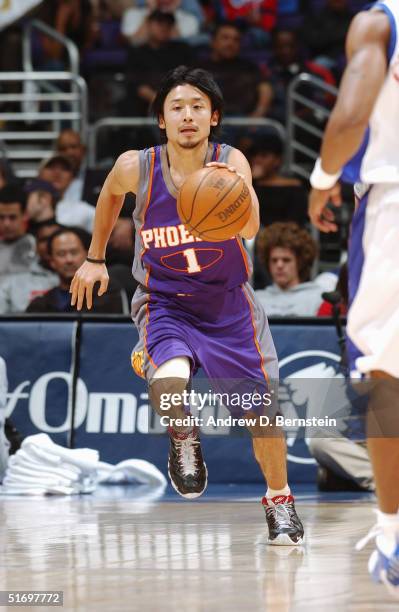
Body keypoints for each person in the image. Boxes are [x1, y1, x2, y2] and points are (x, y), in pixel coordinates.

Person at [69, 65, 304, 545]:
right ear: (162, 119)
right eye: (177, 107)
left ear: (213, 116)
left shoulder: (231, 160)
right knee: (170, 380)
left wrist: (235, 191)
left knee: (263, 416)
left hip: (228, 306)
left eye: (198, 106)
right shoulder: (137, 165)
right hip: (165, 301)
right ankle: (183, 436)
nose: (187, 116)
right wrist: (94, 258)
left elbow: (252, 229)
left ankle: (279, 500)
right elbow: (110, 198)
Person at [308, 0, 399, 594]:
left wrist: (320, 180)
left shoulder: (378, 21)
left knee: (385, 373)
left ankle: (393, 536)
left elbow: (349, 118)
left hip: (393, 200)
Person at [27, 228, 128, 314]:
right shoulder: (40, 304)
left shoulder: (105, 291)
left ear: (87, 255)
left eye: (74, 252)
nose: (69, 260)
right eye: (61, 254)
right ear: (52, 261)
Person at [255, 222, 323, 317]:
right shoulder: (256, 300)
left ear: (300, 263)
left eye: (286, 260)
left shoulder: (318, 298)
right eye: (274, 260)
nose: (279, 265)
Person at [0, 221, 60, 314]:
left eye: (55, 239)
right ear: (36, 245)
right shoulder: (13, 281)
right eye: (44, 240)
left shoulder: (80, 279)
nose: (49, 245)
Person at [249, 135, 308, 227]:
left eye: (264, 155)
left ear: (277, 160)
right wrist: (250, 181)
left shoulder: (294, 188)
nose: (257, 160)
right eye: (254, 155)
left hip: (284, 237)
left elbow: (295, 222)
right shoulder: (248, 185)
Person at [38, 156, 95, 233]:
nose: (57, 172)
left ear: (72, 178)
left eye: (64, 169)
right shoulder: (24, 206)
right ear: (40, 173)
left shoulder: (83, 210)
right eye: (51, 167)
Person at [0, 185, 36, 277]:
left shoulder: (39, 247)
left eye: (12, 217)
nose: (6, 224)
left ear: (25, 215)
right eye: (1, 217)